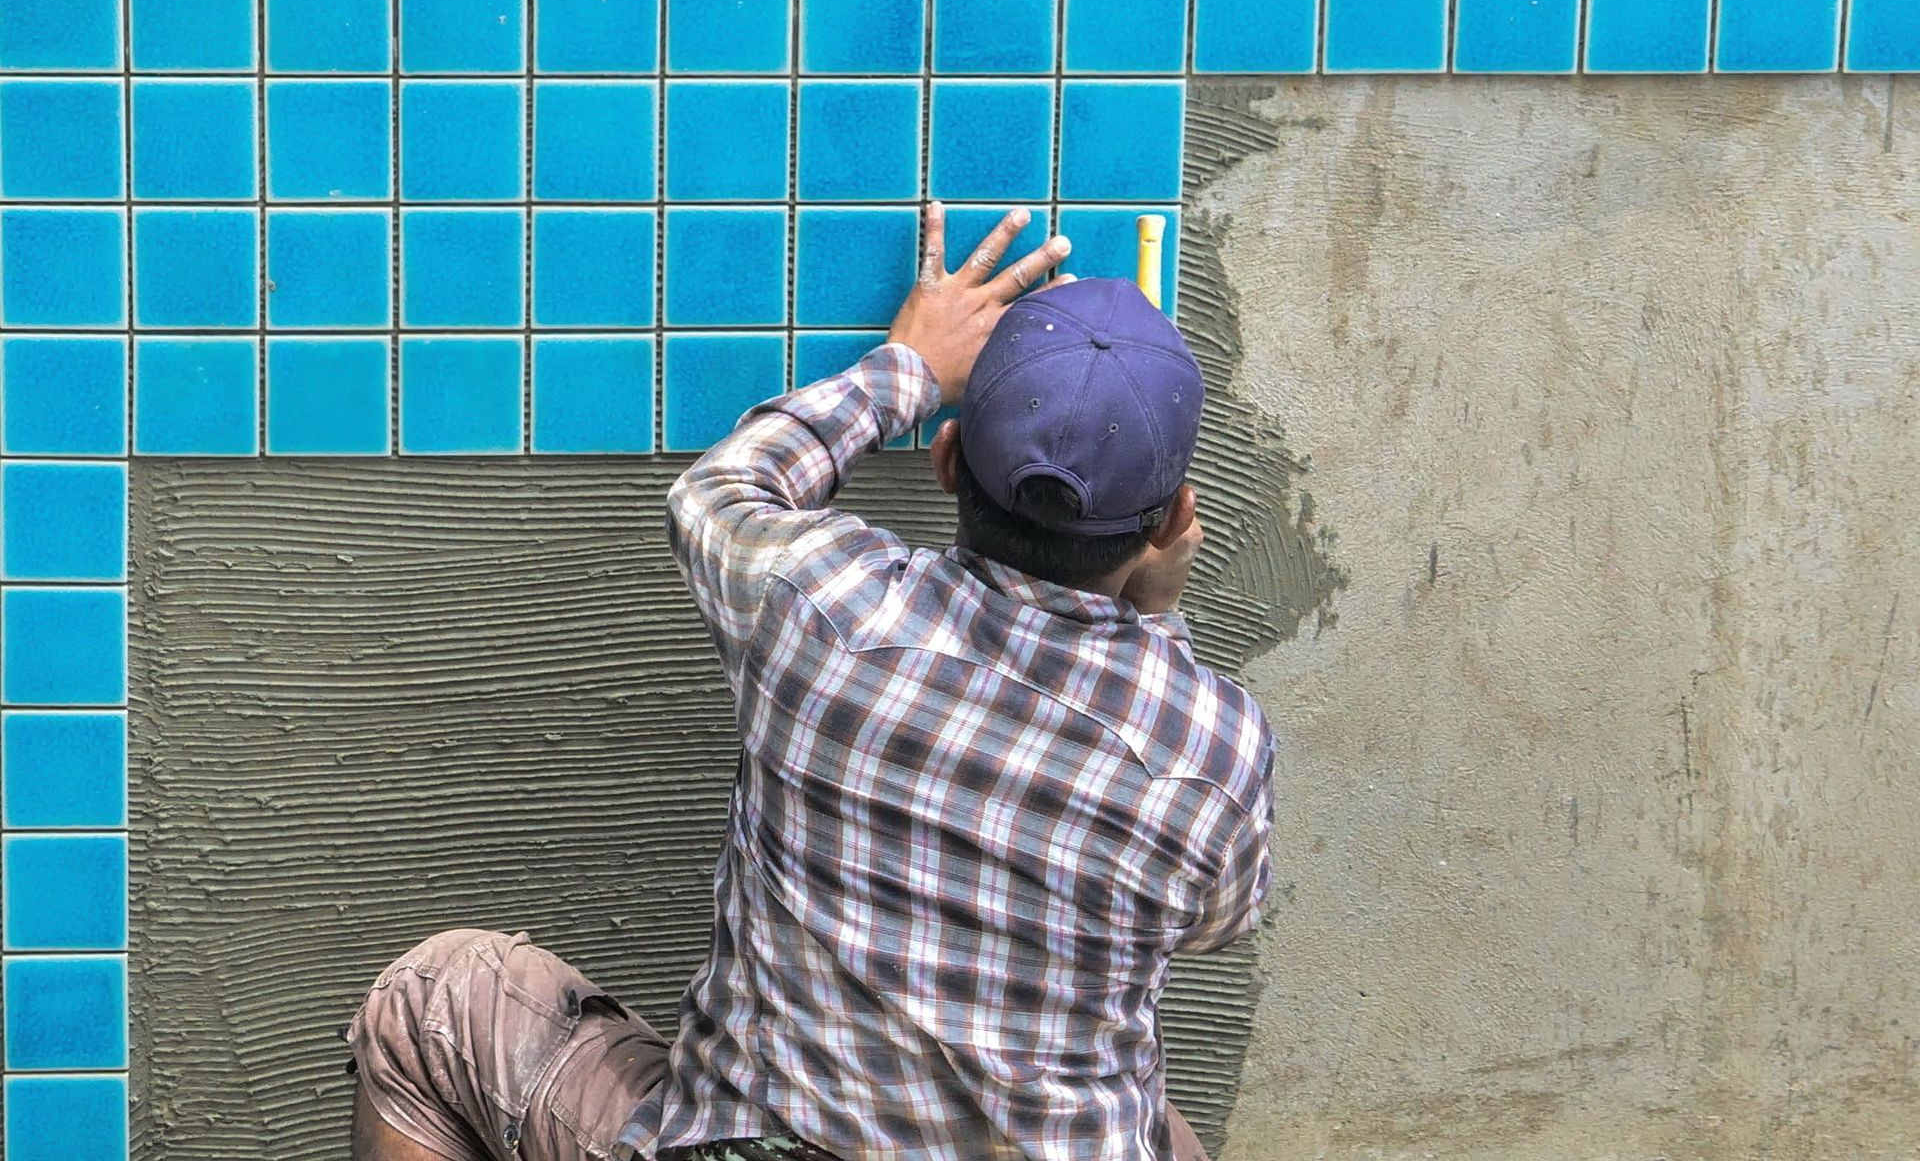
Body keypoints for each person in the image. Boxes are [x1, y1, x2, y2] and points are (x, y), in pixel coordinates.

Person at [345, 204, 1276, 1161]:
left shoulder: (822, 608)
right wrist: (1155, 621)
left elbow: (716, 494)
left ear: (950, 461)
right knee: (1160, 1136)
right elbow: (1214, 917)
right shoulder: (1215, 751)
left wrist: (907, 368)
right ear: (1174, 524)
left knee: (435, 1003)